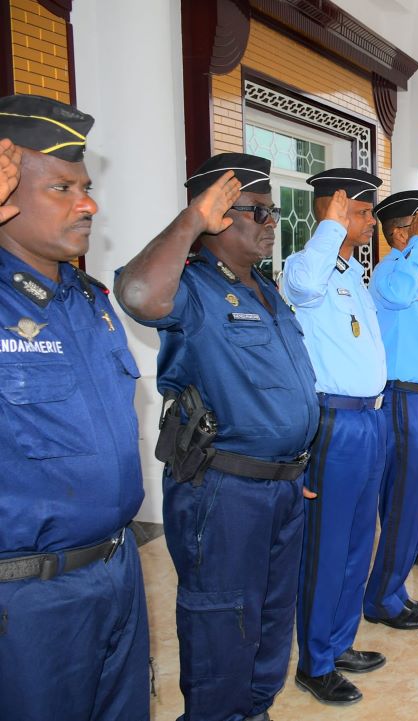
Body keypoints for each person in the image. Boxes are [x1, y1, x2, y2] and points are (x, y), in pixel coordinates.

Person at [116, 153, 318, 721]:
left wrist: (297, 467)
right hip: (224, 491)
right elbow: (136, 296)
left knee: (273, 620)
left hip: (282, 487)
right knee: (222, 625)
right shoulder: (194, 289)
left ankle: (254, 710)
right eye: (257, 211)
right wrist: (187, 222)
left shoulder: (266, 291)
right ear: (217, 217)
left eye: (272, 211)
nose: (270, 222)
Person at [0, 95, 150, 721]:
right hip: (29, 602)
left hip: (118, 572)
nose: (87, 203)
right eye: (61, 188)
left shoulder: (88, 300)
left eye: (85, 187)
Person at [279, 169, 388, 705]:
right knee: (327, 547)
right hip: (334, 424)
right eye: (364, 213)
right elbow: (302, 287)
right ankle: (315, 662)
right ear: (336, 211)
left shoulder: (351, 273)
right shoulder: (306, 266)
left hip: (369, 420)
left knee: (356, 540)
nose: (372, 223)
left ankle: (338, 641)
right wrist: (328, 226)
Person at [363, 190, 418, 631]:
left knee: (416, 499)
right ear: (400, 233)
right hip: (404, 401)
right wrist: (415, 247)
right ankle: (381, 597)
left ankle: (394, 588)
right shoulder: (390, 273)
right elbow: (396, 294)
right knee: (401, 501)